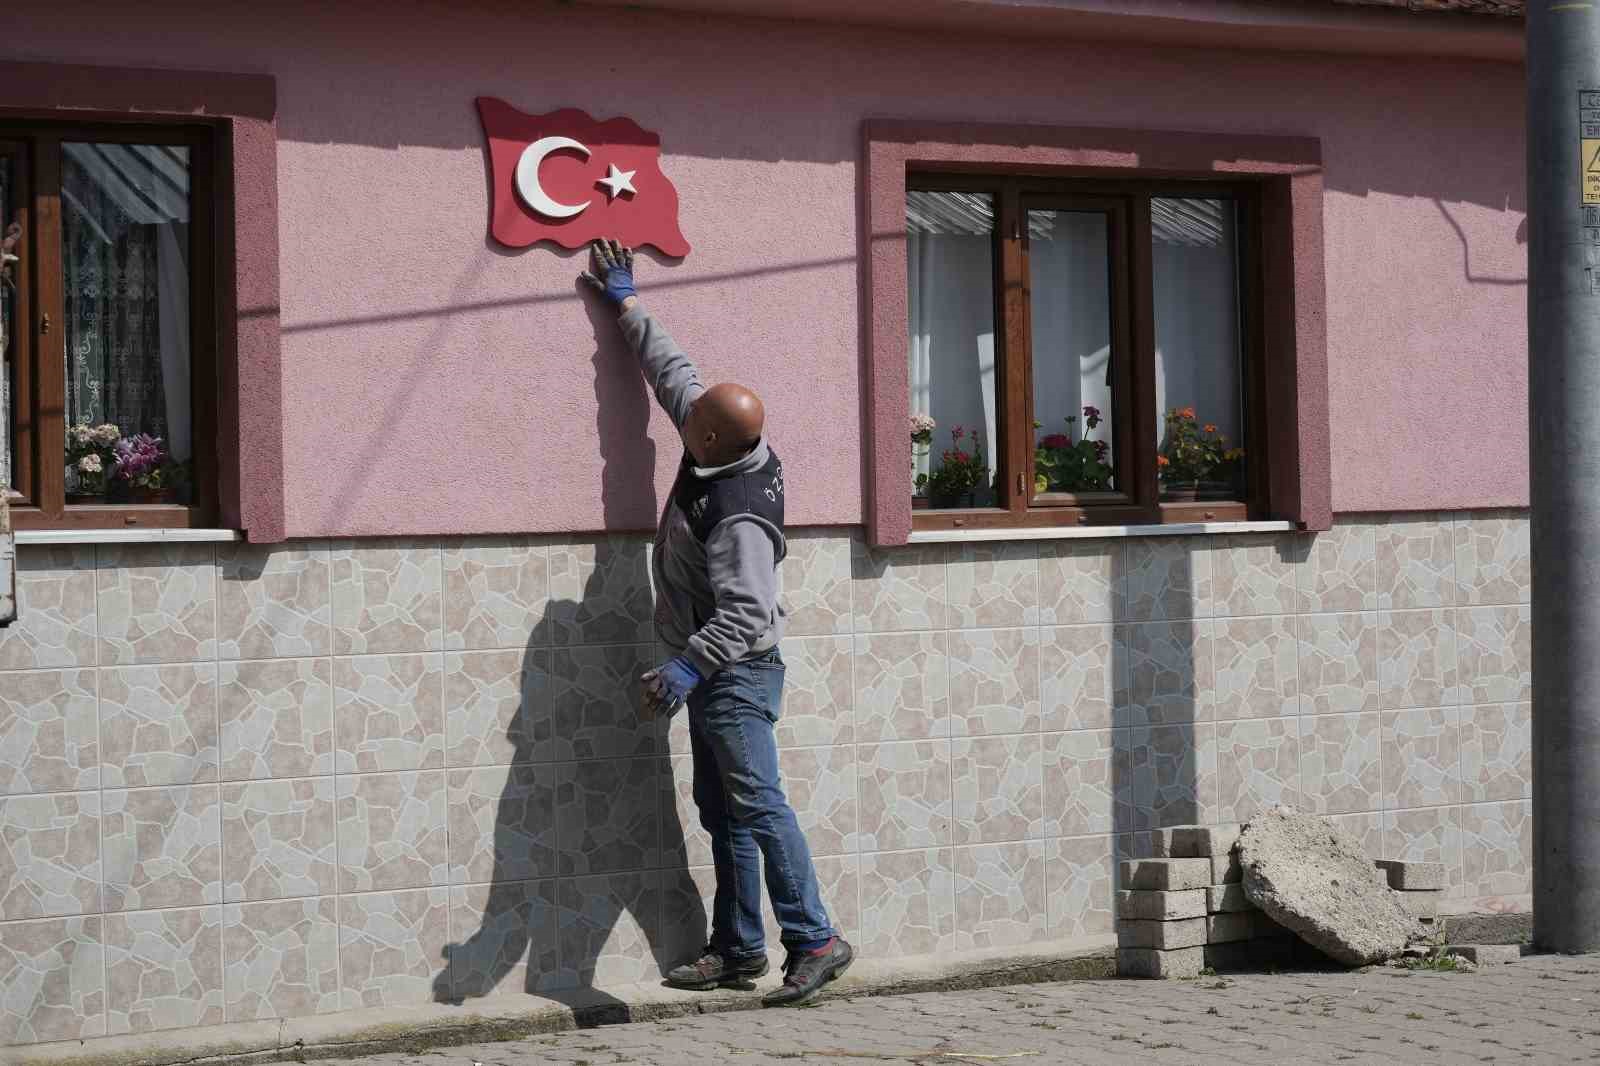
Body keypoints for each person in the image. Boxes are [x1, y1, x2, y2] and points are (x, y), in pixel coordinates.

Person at [581, 238, 853, 1008]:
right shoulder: (720, 438)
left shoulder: (738, 519)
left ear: (707, 440)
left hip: (734, 673)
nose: (682, 412)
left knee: (759, 803)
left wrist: (686, 668)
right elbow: (675, 376)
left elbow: (748, 612)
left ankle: (816, 938)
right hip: (710, 670)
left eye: (690, 420)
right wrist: (627, 300)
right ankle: (737, 949)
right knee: (722, 808)